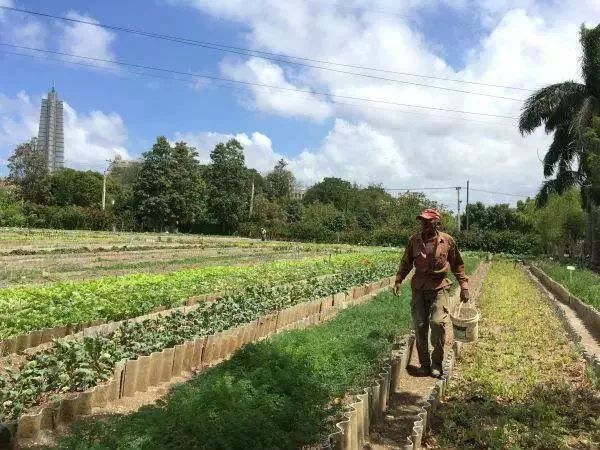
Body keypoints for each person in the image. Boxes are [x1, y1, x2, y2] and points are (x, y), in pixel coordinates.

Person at [393, 208, 469, 378]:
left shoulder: (447, 241)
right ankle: (425, 364)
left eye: (428, 221)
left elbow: (457, 264)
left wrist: (464, 285)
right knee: (420, 325)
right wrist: (399, 279)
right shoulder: (414, 240)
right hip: (419, 288)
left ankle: (436, 363)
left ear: (437, 222)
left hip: (439, 287)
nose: (424, 224)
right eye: (422, 221)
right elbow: (406, 262)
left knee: (437, 323)